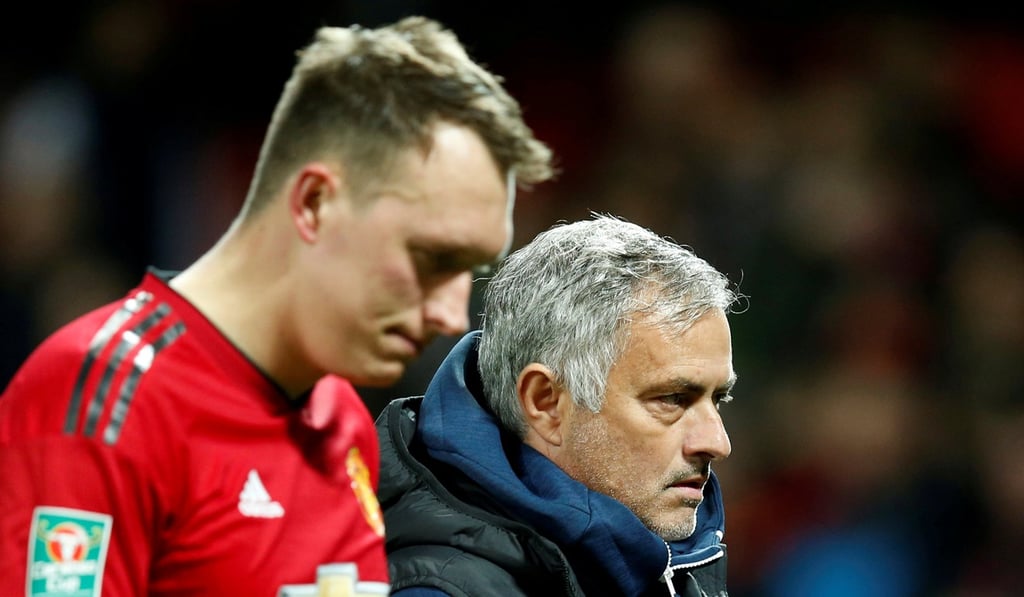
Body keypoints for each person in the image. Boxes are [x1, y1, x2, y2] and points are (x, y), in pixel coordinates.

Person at [0, 15, 553, 597]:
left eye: (473, 272)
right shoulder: (102, 402)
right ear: (314, 202)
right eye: (430, 258)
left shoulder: (342, 420)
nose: (451, 314)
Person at [377, 214, 742, 597]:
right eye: (672, 399)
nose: (717, 442)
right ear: (546, 402)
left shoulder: (670, 561)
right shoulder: (440, 590)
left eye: (719, 398)